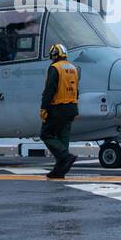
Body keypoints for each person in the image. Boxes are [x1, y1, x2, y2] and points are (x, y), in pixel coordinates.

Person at [40, 43, 79, 179]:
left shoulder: (55, 68)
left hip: (58, 107)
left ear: (54, 55)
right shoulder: (73, 68)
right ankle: (59, 171)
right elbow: (76, 90)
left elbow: (49, 90)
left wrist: (44, 108)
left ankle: (65, 157)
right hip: (72, 107)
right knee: (63, 138)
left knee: (46, 134)